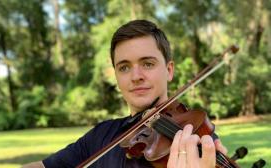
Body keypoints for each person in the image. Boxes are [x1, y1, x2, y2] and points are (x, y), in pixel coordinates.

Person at [23, 19, 226, 168]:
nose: (136, 76)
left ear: (169, 70)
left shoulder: (193, 136)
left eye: (147, 63)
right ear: (117, 77)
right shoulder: (101, 136)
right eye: (124, 67)